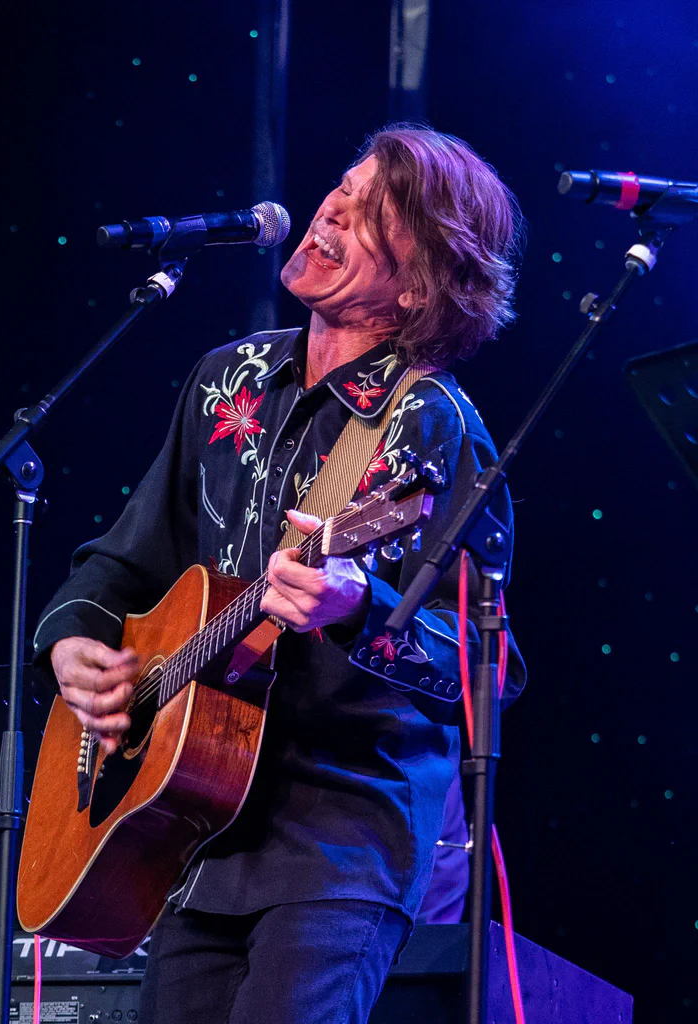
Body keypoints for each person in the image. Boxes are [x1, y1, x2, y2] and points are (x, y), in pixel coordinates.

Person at [31, 124, 527, 1024]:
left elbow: (487, 667)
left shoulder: (434, 427)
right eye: (342, 186)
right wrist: (74, 644)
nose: (331, 206)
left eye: (373, 211)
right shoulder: (230, 380)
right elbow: (123, 559)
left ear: (422, 279)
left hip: (341, 839)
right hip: (194, 829)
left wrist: (357, 605)